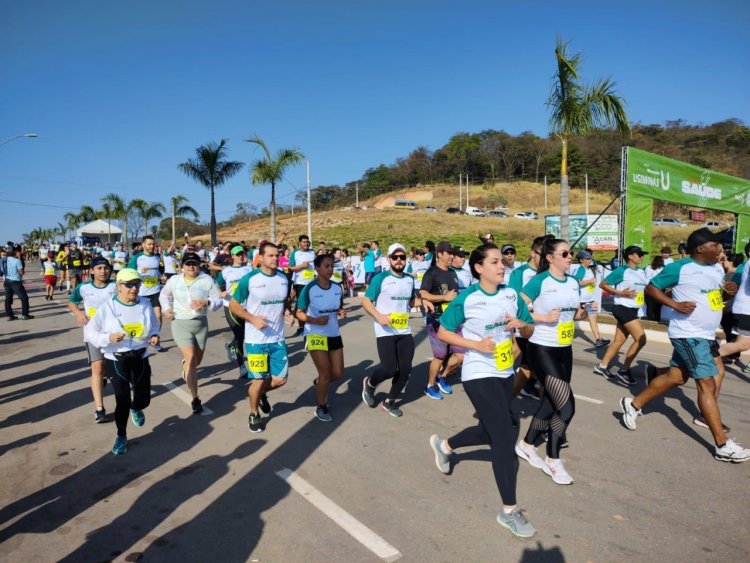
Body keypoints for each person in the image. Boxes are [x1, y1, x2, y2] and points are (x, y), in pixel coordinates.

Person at [429, 243, 536, 538]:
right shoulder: (468, 298)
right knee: (504, 436)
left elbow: (529, 329)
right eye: (494, 262)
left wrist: (520, 326)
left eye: (502, 262)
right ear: (478, 268)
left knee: (489, 432)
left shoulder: (511, 294)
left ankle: (445, 446)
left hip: (504, 370)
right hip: (478, 371)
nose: (501, 266)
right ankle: (509, 511)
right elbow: (444, 331)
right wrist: (475, 345)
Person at [620, 228, 750, 463]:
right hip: (688, 334)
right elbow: (651, 287)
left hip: (707, 334)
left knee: (677, 377)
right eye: (716, 245)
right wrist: (674, 305)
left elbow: (713, 299)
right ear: (701, 248)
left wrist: (726, 293)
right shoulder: (680, 268)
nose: (721, 249)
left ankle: (633, 403)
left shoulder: (715, 268)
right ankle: (722, 445)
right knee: (706, 383)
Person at [516, 237, 585, 485]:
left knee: (549, 403)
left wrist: (581, 313)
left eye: (571, 253)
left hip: (564, 350)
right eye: (565, 253)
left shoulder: (574, 283)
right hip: (541, 348)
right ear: (550, 257)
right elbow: (517, 310)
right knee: (567, 407)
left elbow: (572, 312)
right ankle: (553, 460)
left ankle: (525, 445)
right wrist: (543, 317)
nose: (570, 257)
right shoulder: (540, 281)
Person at [84, 268, 161, 455]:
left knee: (143, 400)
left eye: (136, 284)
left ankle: (137, 408)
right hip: (116, 359)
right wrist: (108, 338)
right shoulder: (107, 307)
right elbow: (89, 332)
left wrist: (154, 336)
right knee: (122, 399)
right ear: (119, 286)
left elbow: (154, 325)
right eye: (129, 285)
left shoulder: (145, 304)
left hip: (140, 356)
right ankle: (121, 435)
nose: (133, 289)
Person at [229, 242, 293, 433]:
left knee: (280, 379)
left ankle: (261, 394)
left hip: (277, 338)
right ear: (261, 258)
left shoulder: (284, 278)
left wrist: (287, 312)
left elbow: (284, 301)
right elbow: (234, 304)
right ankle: (254, 412)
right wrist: (252, 318)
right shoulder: (250, 279)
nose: (275, 259)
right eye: (271, 255)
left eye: (277, 255)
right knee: (257, 380)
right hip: (256, 339)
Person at [160, 251, 223, 414]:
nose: (191, 267)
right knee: (191, 359)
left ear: (199, 265)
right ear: (182, 266)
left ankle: (185, 366)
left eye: (194, 264)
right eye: (188, 264)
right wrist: (167, 309)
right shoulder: (174, 280)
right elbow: (164, 295)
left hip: (201, 324)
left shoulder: (207, 280)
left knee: (196, 362)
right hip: (180, 323)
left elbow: (217, 301)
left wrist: (206, 302)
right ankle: (195, 398)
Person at [361, 243, 415, 417]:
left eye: (402, 257)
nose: (399, 260)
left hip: (404, 330)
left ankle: (389, 401)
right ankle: (370, 384)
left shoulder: (409, 279)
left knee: (406, 369)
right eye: (395, 257)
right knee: (389, 369)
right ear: (388, 259)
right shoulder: (380, 278)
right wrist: (379, 316)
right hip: (385, 331)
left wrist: (426, 302)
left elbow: (411, 301)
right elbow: (366, 301)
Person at [296, 254, 347, 422]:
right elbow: (299, 312)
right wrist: (314, 320)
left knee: (338, 373)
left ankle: (320, 384)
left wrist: (341, 312)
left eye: (332, 266)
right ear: (317, 268)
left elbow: (339, 307)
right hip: (315, 333)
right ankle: (321, 406)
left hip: (333, 333)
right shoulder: (309, 288)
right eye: (326, 266)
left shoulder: (337, 288)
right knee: (325, 372)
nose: (330, 269)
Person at [67, 256, 117, 423]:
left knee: (113, 369)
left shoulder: (115, 286)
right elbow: (72, 302)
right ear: (92, 271)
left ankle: (107, 383)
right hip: (93, 333)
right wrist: (79, 314)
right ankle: (99, 409)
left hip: (114, 334)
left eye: (106, 268)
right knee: (97, 367)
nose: (103, 271)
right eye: (99, 268)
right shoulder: (84, 287)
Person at [594, 246, 649, 385]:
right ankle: (624, 370)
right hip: (623, 307)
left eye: (643, 255)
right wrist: (620, 293)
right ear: (630, 256)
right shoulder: (622, 270)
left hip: (633, 309)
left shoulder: (641, 272)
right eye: (640, 254)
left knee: (619, 340)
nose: (642, 257)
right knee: (641, 339)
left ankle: (602, 366)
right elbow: (603, 284)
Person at [420, 240, 463, 400]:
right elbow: (423, 294)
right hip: (437, 320)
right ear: (439, 254)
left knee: (461, 355)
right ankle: (429, 385)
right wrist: (443, 297)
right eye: (449, 253)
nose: (452, 256)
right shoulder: (431, 273)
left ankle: (441, 376)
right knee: (439, 356)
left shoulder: (453, 273)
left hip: (454, 320)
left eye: (453, 253)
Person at [508, 235, 546, 400]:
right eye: (542, 255)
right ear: (532, 253)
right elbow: (512, 300)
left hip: (542, 327)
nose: (546, 259)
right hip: (523, 325)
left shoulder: (546, 274)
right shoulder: (519, 273)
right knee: (512, 359)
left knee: (529, 367)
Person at [216, 245, 253, 377]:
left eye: (242, 254)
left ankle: (231, 345)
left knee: (247, 334)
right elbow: (216, 284)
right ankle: (242, 366)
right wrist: (221, 292)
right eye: (237, 254)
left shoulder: (249, 269)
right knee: (240, 335)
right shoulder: (226, 271)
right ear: (232, 256)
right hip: (231, 306)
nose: (240, 256)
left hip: (247, 306)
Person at [127, 235, 164, 341]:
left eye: (153, 244)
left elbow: (160, 271)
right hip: (141, 293)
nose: (152, 246)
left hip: (155, 291)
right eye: (149, 244)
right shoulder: (136, 258)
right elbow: (128, 273)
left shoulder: (157, 257)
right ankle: (139, 338)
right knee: (141, 318)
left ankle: (155, 338)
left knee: (158, 316)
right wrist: (139, 272)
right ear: (143, 245)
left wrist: (162, 276)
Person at [570, 251, 608, 347]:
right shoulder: (581, 269)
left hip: (589, 299)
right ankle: (598, 339)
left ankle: (598, 339)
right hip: (582, 299)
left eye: (590, 258)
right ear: (581, 260)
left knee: (588, 317)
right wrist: (590, 281)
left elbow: (594, 264)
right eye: (587, 258)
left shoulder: (587, 269)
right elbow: (577, 282)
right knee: (588, 317)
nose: (590, 260)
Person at [289, 235, 317, 337]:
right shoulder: (295, 253)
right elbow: (290, 268)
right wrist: (302, 266)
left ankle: (310, 326)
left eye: (307, 242)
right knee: (301, 306)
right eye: (304, 242)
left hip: (312, 282)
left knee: (311, 305)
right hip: (300, 283)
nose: (306, 243)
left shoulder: (312, 252)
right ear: (299, 243)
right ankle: (301, 327)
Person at [4, 245, 33, 320]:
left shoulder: (6, 259)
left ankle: (10, 315)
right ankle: (25, 314)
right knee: (24, 298)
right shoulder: (17, 261)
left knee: (8, 298)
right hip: (15, 281)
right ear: (14, 252)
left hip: (7, 280)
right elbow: (22, 272)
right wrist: (20, 258)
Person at [644, 255, 665, 321]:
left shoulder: (648, 267)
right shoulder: (663, 268)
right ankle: (657, 321)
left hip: (649, 288)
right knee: (658, 307)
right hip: (659, 289)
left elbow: (646, 278)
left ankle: (650, 321)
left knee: (650, 307)